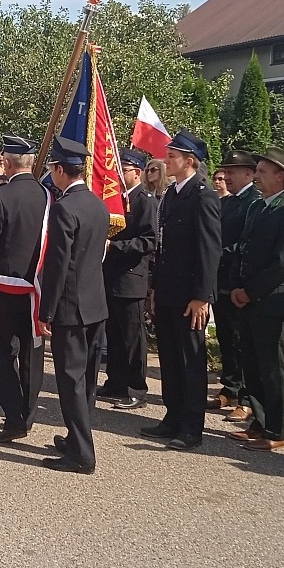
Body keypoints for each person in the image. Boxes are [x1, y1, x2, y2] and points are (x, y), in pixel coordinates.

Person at [141, 130, 222, 451]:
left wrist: (202, 296)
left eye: (172, 156)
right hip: (170, 291)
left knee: (190, 360)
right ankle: (172, 416)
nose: (166, 160)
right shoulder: (173, 194)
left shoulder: (203, 196)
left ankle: (192, 426)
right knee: (171, 359)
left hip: (191, 295)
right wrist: (155, 289)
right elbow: (164, 249)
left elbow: (209, 249)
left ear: (190, 161)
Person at [0, 134, 53, 441]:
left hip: (1, 291)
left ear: (5, 161)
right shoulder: (48, 195)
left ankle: (14, 417)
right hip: (35, 291)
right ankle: (27, 415)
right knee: (33, 354)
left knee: (2, 356)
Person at [226, 148, 284, 451]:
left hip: (270, 302)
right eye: (256, 171)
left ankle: (276, 431)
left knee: (272, 368)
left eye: (261, 171)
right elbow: (244, 249)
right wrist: (235, 286)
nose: (256, 176)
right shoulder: (259, 207)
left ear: (280, 175)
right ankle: (259, 423)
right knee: (253, 364)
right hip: (247, 300)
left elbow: (283, 263)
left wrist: (250, 291)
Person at [40, 135, 111, 474]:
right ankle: (75, 436)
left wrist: (46, 311)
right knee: (86, 380)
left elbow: (58, 265)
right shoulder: (97, 203)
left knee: (70, 380)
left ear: (58, 169)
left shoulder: (65, 207)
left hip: (70, 305)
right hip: (95, 303)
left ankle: (82, 454)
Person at [99, 150, 159, 410]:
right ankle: (116, 381)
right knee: (113, 332)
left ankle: (136, 387)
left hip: (131, 276)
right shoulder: (116, 200)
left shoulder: (145, 201)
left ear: (138, 172)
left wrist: (115, 246)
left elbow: (149, 240)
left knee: (132, 336)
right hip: (110, 275)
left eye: (124, 169)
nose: (119, 174)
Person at [211, 150, 261, 416]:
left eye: (232, 172)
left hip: (240, 281)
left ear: (248, 174)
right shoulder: (228, 202)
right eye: (225, 171)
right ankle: (229, 388)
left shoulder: (255, 201)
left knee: (242, 341)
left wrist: (219, 254)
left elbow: (247, 243)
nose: (227, 177)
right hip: (221, 279)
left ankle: (246, 398)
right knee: (226, 338)